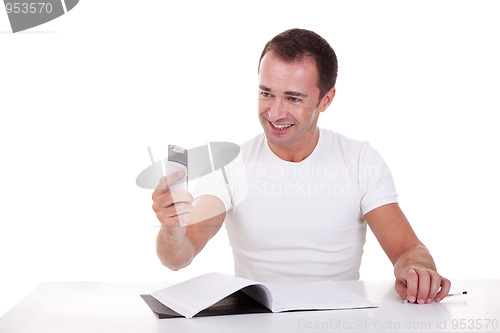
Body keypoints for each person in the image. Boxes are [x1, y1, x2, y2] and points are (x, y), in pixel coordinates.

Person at [152, 28, 451, 305]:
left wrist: (417, 269)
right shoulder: (231, 166)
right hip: (257, 322)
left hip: (338, 319)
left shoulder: (359, 160)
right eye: (266, 93)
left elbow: (406, 250)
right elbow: (179, 256)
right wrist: (172, 231)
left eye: (293, 98)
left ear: (326, 99)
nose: (275, 112)